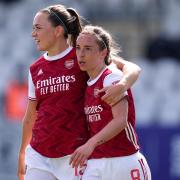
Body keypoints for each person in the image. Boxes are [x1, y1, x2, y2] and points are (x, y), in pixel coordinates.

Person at [17, 4, 141, 180]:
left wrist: (122, 84)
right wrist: (22, 153)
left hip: (74, 155)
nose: (33, 34)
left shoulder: (82, 56)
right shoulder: (35, 68)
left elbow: (132, 68)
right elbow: (30, 116)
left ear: (58, 30)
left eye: (38, 28)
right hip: (39, 154)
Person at [70, 25, 151, 180]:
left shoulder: (111, 77)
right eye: (78, 48)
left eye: (88, 49)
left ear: (103, 52)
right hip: (96, 164)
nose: (81, 54)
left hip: (124, 161)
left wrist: (90, 144)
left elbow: (121, 120)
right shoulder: (86, 80)